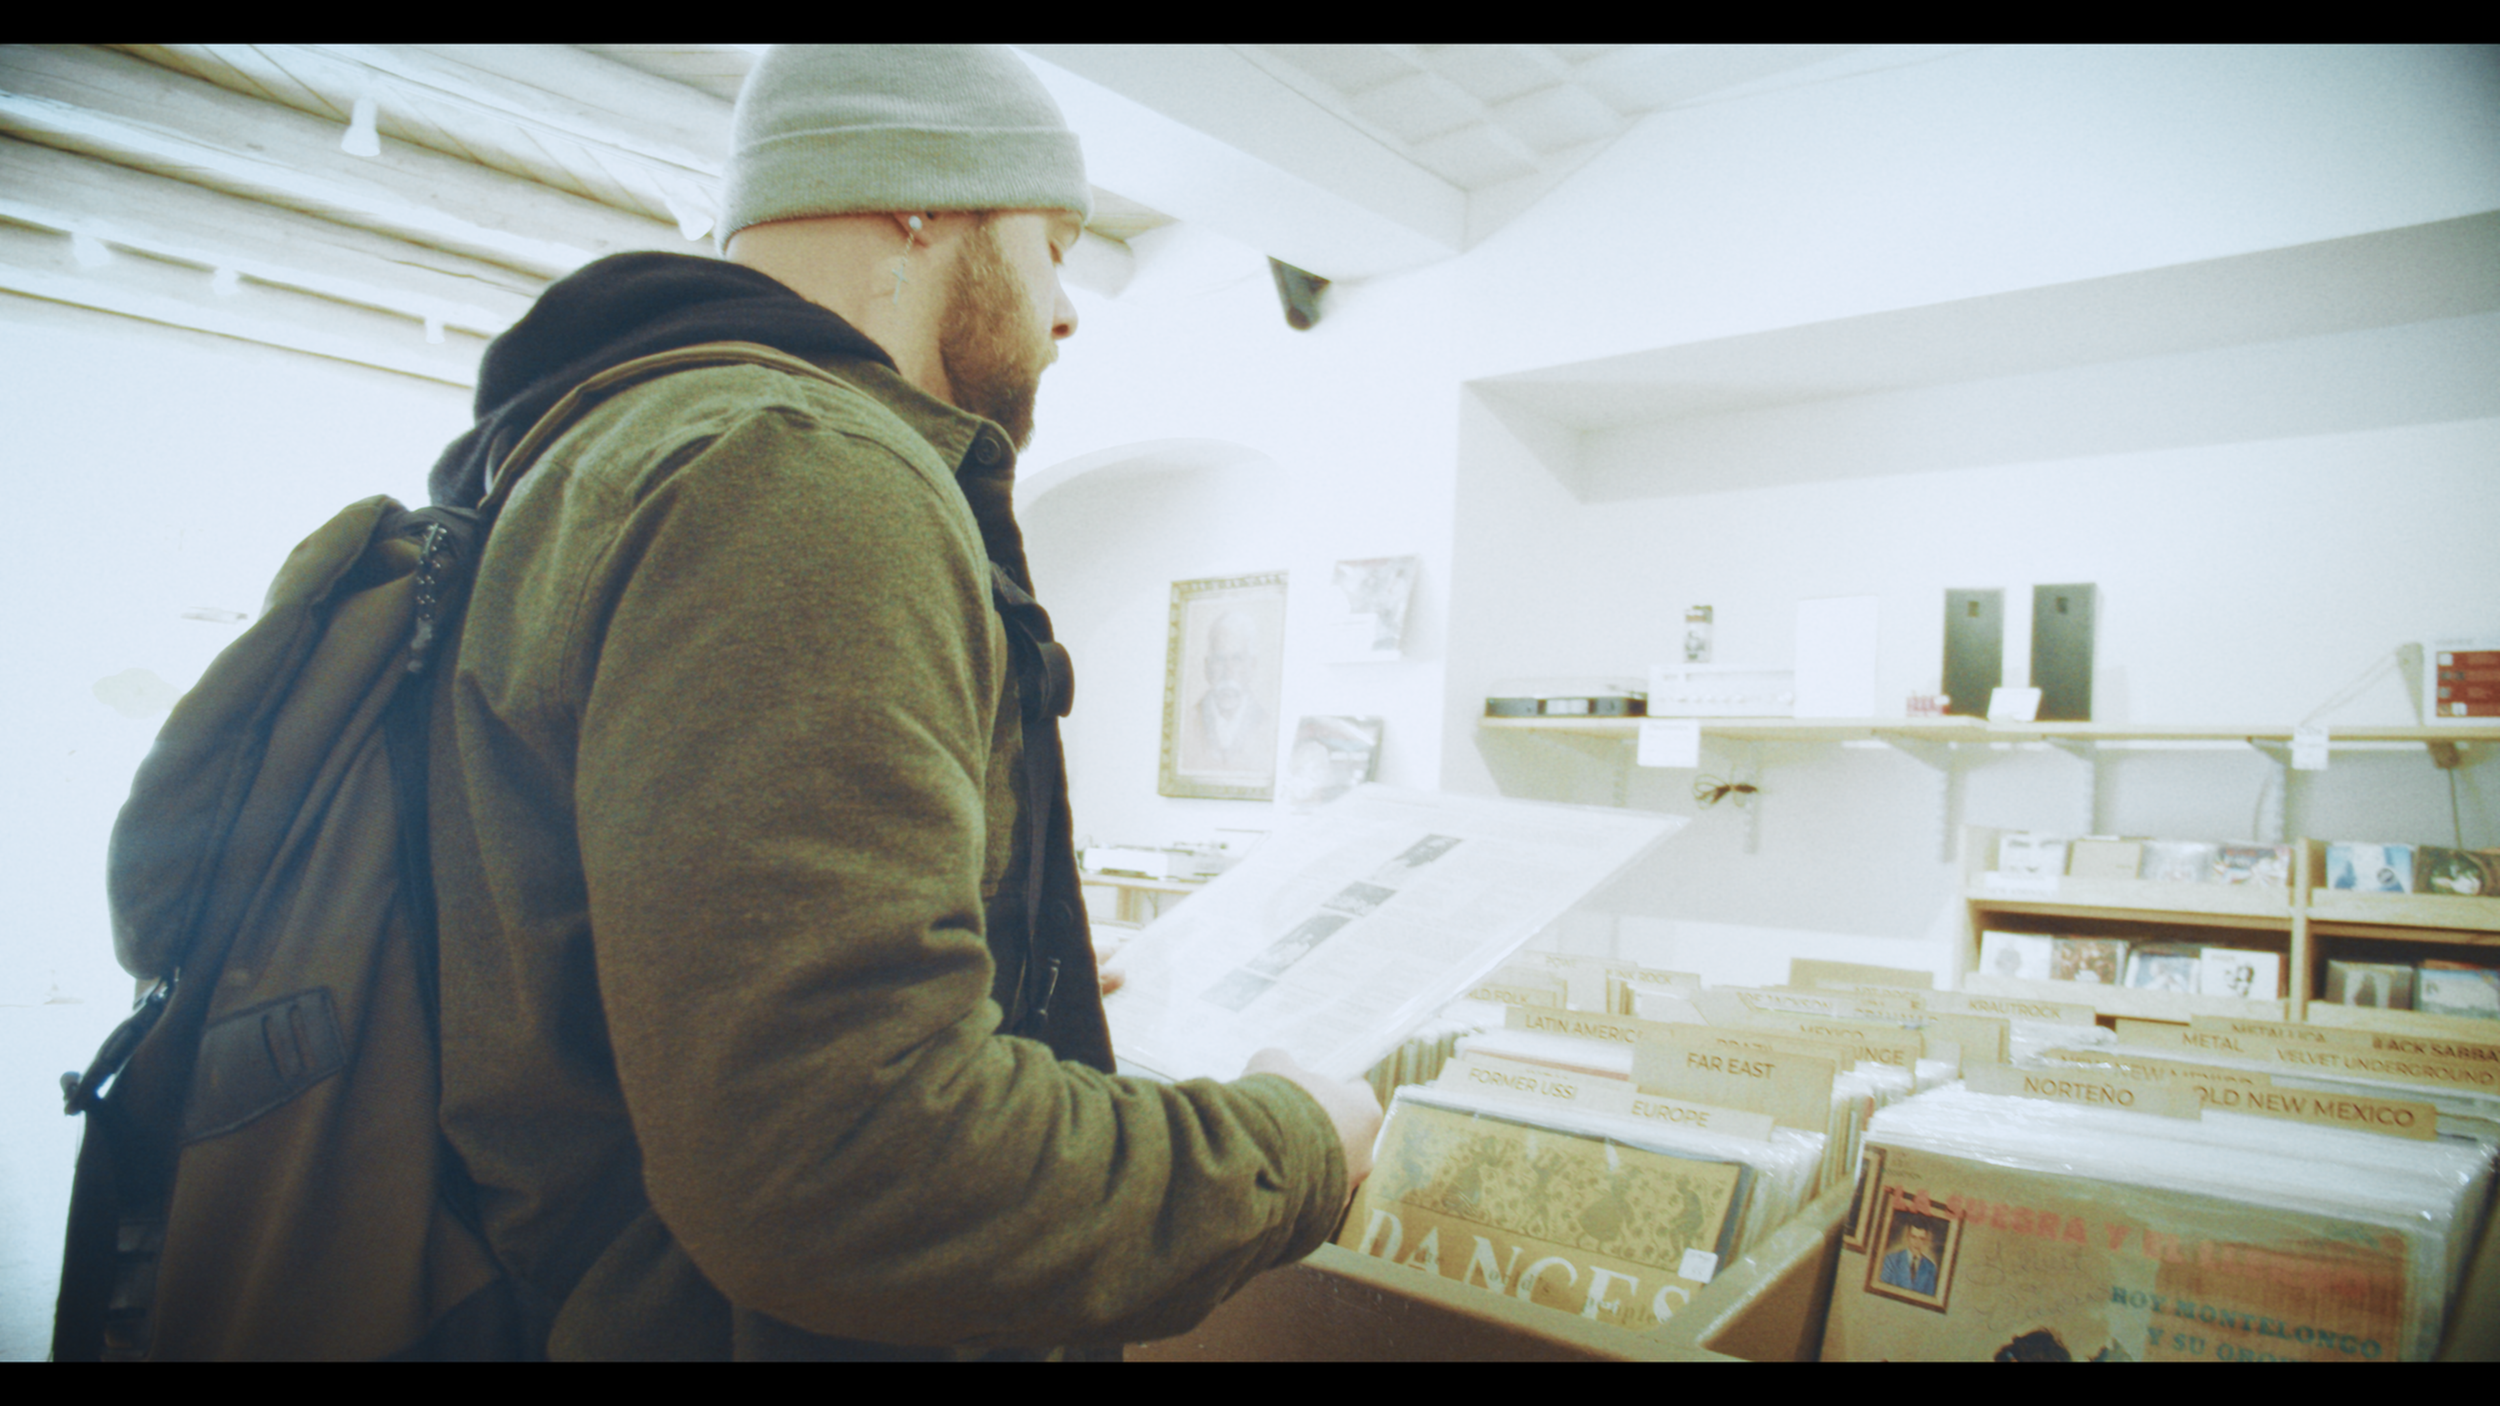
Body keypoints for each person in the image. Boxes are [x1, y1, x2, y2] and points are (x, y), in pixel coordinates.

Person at [421, 44, 1381, 1361]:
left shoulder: (599, 450)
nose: (1066, 309)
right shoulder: (806, 476)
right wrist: (1296, 1144)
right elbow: (851, 1159)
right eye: (1053, 240)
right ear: (923, 199)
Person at [1879, 1221, 1942, 1297]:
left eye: (1921, 1239)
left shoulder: (1930, 1267)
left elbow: (1929, 1298)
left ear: (1926, 1240)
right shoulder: (1891, 1260)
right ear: (1908, 1237)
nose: (1917, 1242)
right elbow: (1881, 1291)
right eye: (1913, 1237)